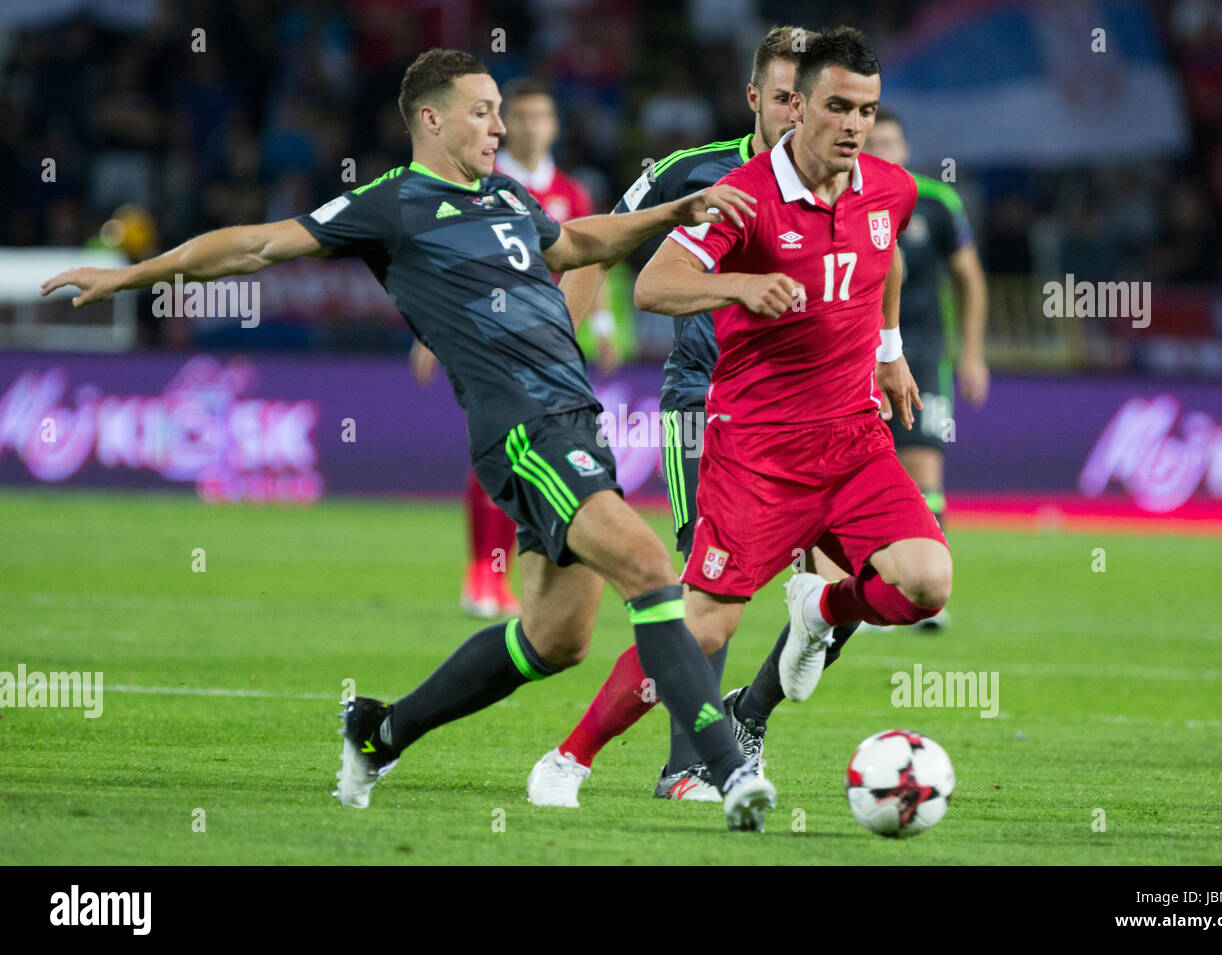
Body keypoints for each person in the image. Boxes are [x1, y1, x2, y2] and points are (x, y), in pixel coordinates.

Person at [40, 47, 777, 832]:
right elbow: (254, 246)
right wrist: (129, 276)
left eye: (501, 111)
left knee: (555, 638)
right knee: (655, 568)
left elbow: (574, 245)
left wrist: (671, 213)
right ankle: (725, 771)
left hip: (575, 420)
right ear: (430, 119)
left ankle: (380, 730)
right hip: (526, 429)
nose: (501, 126)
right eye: (483, 111)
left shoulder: (506, 196)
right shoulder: (391, 205)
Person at [533, 26, 953, 806]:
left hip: (855, 440)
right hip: (757, 446)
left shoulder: (889, 187)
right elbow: (654, 285)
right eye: (838, 107)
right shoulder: (743, 193)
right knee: (703, 626)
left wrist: (890, 350)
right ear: (796, 110)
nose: (854, 125)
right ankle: (572, 757)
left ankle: (821, 604)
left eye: (867, 109)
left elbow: (885, 253)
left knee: (927, 580)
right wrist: (738, 288)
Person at [409, 77, 617, 620]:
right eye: (519, 116)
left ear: (553, 126)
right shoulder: (480, 185)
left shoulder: (572, 192)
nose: (529, 126)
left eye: (540, 117)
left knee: (537, 457)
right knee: (502, 446)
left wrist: (607, 325)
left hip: (554, 345)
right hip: (489, 338)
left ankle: (521, 576)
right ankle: (484, 571)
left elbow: (588, 252)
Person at [863, 108, 989, 630]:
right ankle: (865, 594)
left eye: (892, 142)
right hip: (856, 357)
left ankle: (925, 598)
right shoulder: (845, 200)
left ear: (906, 149)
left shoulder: (937, 202)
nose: (884, 152)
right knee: (860, 473)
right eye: (875, 143)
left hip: (921, 352)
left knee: (924, 473)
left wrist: (972, 352)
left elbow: (970, 278)